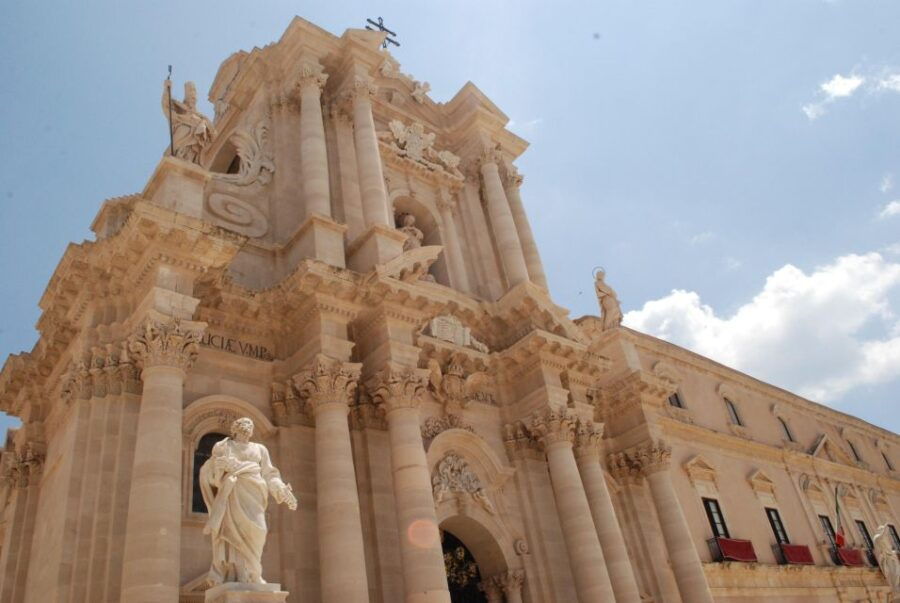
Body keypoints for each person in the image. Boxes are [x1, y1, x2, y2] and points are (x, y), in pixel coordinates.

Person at [199, 417, 296, 585]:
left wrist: (280, 489)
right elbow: (213, 478)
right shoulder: (224, 447)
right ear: (235, 428)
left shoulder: (260, 449)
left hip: (256, 494)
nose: (247, 427)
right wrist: (221, 469)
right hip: (232, 493)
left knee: (259, 531)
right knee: (233, 534)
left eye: (250, 425)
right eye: (243, 424)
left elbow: (269, 474)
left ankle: (253, 571)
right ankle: (247, 574)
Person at [162, 79, 215, 164]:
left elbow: (213, 133)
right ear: (186, 95)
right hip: (182, 134)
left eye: (194, 92)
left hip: (194, 142)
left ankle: (189, 161)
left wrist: (204, 124)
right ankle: (179, 157)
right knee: (179, 153)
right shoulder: (180, 107)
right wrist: (167, 89)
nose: (193, 95)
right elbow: (167, 105)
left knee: (191, 155)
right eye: (190, 91)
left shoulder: (200, 116)